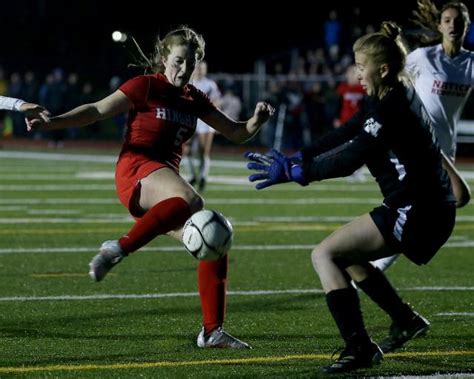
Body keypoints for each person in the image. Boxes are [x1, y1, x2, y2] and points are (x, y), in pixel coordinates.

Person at [27, 26, 274, 349]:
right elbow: (97, 111)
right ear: (163, 58)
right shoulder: (146, 86)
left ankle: (212, 331)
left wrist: (256, 121)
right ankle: (117, 249)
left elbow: (235, 132)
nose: (183, 70)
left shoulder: (193, 98)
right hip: (136, 169)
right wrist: (54, 121)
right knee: (193, 200)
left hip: (163, 185)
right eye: (178, 61)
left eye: (191, 63)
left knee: (214, 239)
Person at [245, 22, 455, 373]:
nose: (356, 73)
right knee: (349, 257)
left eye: (361, 66)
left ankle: (359, 347)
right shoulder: (389, 94)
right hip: (424, 206)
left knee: (324, 254)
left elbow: (350, 159)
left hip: (418, 210)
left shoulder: (392, 108)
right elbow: (349, 130)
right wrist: (301, 156)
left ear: (383, 68)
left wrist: (298, 174)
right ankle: (404, 320)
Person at [373, 0, 472, 271]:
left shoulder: (470, 64)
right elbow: (401, 63)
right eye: (448, 20)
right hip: (421, 145)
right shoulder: (425, 57)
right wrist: (396, 39)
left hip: (445, 149)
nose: (453, 25)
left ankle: (373, 263)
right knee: (452, 199)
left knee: (429, 208)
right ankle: (374, 264)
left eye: (459, 20)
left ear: (467, 26)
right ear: (440, 25)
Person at [182, 60, 221, 192]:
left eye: (202, 68)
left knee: (203, 151)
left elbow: (216, 102)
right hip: (191, 120)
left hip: (205, 121)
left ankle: (203, 177)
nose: (199, 70)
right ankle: (193, 176)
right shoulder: (189, 83)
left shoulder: (210, 84)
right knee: (186, 151)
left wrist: (216, 121)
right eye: (198, 68)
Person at [334, 64, 367, 182]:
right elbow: (337, 105)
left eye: (355, 73)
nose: (353, 76)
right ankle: (349, 171)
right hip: (345, 122)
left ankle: (358, 170)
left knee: (359, 146)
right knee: (346, 147)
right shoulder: (343, 88)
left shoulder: (362, 89)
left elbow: (365, 106)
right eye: (351, 73)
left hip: (358, 122)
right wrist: (336, 118)